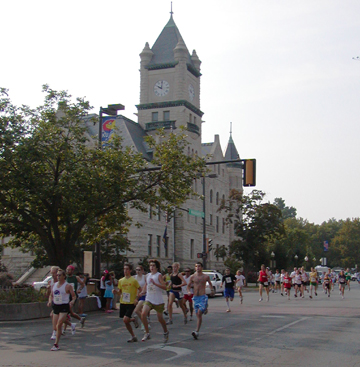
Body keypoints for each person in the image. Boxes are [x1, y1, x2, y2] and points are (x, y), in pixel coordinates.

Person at [141, 259, 169, 343]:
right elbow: (146, 285)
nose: (151, 267)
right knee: (143, 314)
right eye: (150, 266)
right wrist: (142, 291)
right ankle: (147, 333)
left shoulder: (158, 275)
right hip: (149, 298)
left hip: (158, 300)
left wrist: (155, 283)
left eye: (153, 266)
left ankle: (165, 332)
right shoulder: (147, 275)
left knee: (160, 319)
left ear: (156, 267)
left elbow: (165, 287)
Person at [48, 268, 77, 351]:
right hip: (56, 306)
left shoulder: (68, 286)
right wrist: (50, 301)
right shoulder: (54, 285)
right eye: (57, 275)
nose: (58, 276)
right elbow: (51, 295)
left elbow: (74, 296)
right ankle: (69, 327)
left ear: (64, 276)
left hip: (64, 306)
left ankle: (56, 344)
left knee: (59, 324)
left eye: (60, 275)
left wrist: (72, 301)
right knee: (55, 327)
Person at [113, 263, 141, 343]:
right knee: (125, 320)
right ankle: (133, 335)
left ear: (130, 270)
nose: (125, 271)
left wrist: (136, 298)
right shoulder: (121, 280)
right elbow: (120, 292)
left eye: (127, 269)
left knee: (125, 319)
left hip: (131, 302)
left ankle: (132, 321)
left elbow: (140, 289)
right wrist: (116, 292)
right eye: (124, 269)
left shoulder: (133, 280)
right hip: (123, 302)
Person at [187, 262, 214, 340]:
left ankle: (196, 331)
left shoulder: (205, 276)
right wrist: (189, 291)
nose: (197, 268)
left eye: (199, 266)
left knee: (199, 313)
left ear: (201, 267)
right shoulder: (192, 277)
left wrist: (212, 290)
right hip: (196, 297)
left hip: (202, 297)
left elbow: (210, 284)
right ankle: (205, 307)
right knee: (198, 315)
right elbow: (188, 286)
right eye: (196, 266)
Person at [133, 265, 147, 329]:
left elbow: (147, 285)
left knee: (136, 310)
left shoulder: (144, 277)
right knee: (140, 311)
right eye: (136, 270)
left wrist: (144, 291)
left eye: (139, 270)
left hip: (143, 296)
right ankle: (144, 323)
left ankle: (144, 323)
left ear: (142, 271)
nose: (138, 271)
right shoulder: (134, 277)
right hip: (136, 296)